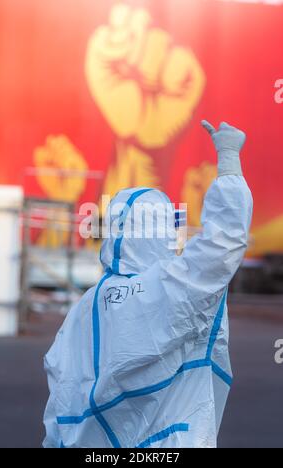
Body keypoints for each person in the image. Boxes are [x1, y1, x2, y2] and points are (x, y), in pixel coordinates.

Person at [43, 121, 253, 448]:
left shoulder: (87, 306)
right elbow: (223, 243)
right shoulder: (172, 288)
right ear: (163, 230)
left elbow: (61, 387)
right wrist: (228, 159)